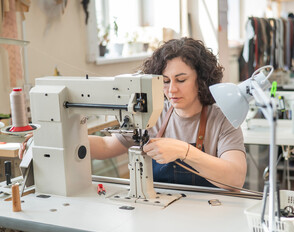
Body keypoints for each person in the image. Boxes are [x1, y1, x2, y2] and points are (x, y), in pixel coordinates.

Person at [20, 37, 247, 190]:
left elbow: (235, 178)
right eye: (165, 82)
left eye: (181, 80)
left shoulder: (222, 118)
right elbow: (108, 146)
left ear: (202, 78)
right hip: (162, 212)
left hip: (210, 215)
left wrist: (184, 151)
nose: (171, 90)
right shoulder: (154, 113)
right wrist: (52, 140)